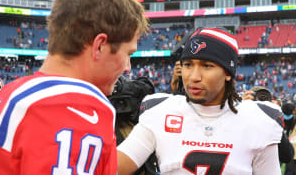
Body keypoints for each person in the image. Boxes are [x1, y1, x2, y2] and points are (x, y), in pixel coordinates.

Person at [0, 0, 148, 175]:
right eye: (128, 54)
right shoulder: (80, 106)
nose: (128, 67)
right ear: (100, 46)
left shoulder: (8, 92)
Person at [117, 28, 283, 175]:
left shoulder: (258, 120)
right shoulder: (160, 111)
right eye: (188, 65)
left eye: (207, 66)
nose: (194, 77)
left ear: (228, 73)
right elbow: (112, 168)